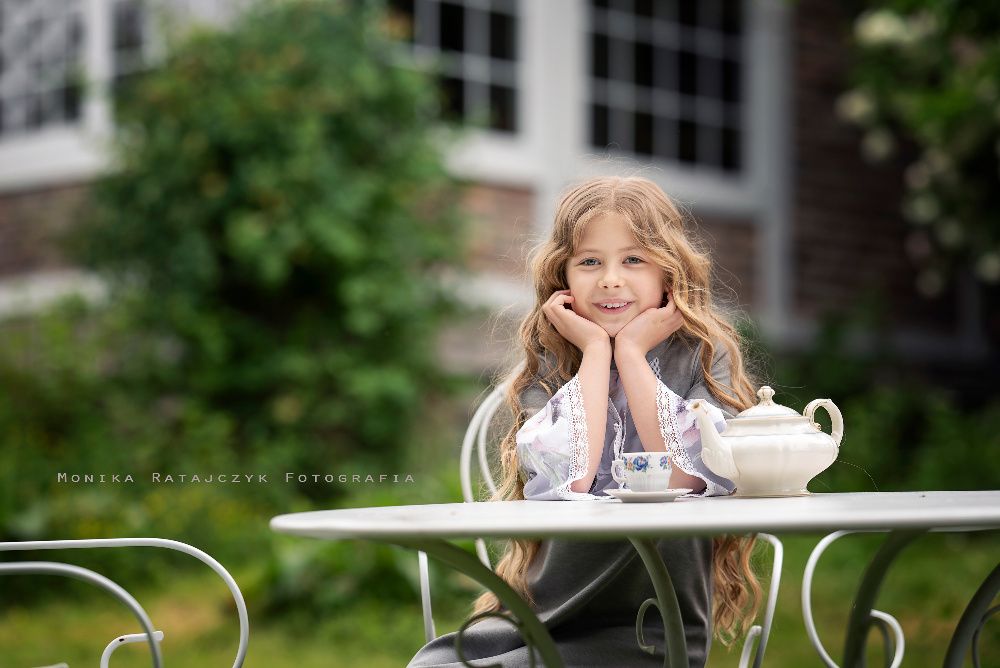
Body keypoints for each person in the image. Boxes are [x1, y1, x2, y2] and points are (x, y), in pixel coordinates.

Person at [409, 176, 762, 667]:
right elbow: (567, 478)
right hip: (539, 612)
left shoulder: (701, 356)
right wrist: (596, 352)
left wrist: (634, 355)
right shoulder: (554, 359)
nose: (610, 279)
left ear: (669, 272)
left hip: (648, 626)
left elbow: (691, 474)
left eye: (633, 259)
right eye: (590, 261)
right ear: (564, 278)